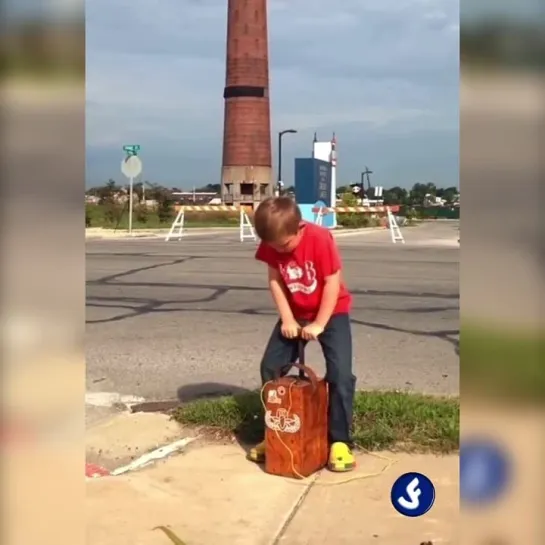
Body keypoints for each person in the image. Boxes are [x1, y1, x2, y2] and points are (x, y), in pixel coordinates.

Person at [249, 196, 356, 472]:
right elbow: (275, 280)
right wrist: (287, 318)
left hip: (331, 311)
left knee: (341, 374)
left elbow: (333, 283)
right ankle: (276, 433)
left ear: (299, 228)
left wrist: (320, 323)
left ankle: (339, 441)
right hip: (295, 312)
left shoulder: (320, 239)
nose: (278, 250)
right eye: (272, 245)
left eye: (283, 245)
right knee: (271, 367)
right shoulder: (274, 238)